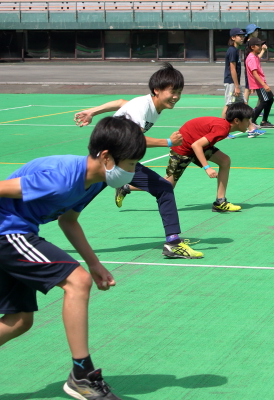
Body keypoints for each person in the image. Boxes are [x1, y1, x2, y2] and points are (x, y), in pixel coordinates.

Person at [0, 116, 145, 400]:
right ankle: (82, 375)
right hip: (6, 235)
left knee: (19, 321)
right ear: (106, 157)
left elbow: (68, 221)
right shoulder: (60, 178)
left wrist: (94, 263)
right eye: (130, 164)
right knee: (77, 282)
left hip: (14, 235)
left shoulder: (95, 182)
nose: (134, 170)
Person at [73, 63, 203, 259]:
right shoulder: (143, 107)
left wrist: (93, 111)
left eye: (179, 92)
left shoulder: (147, 104)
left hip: (114, 159)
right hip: (112, 161)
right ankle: (173, 242)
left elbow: (120, 102)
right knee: (164, 189)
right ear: (156, 90)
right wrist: (168, 142)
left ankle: (173, 241)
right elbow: (134, 139)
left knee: (73, 203)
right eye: (172, 91)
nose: (176, 96)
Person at [164, 102, 254, 212]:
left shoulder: (224, 127)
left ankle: (220, 202)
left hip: (196, 146)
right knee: (166, 186)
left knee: (225, 160)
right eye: (247, 119)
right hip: (183, 149)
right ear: (236, 121)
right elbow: (196, 145)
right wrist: (207, 167)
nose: (249, 123)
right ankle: (137, 185)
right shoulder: (222, 129)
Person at [223, 27, 263, 139]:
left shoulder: (236, 50)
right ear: (233, 38)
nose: (242, 38)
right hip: (231, 83)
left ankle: (251, 129)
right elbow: (232, 69)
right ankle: (222, 130)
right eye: (239, 36)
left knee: (244, 105)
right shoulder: (232, 50)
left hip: (234, 83)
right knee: (228, 105)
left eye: (242, 36)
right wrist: (236, 86)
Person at [246, 36, 274, 129]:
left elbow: (257, 59)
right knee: (264, 101)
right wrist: (264, 85)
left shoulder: (254, 56)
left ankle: (264, 121)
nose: (260, 46)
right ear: (252, 47)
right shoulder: (251, 58)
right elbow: (254, 73)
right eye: (258, 45)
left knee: (270, 99)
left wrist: (263, 50)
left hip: (260, 83)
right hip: (259, 84)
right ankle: (252, 121)